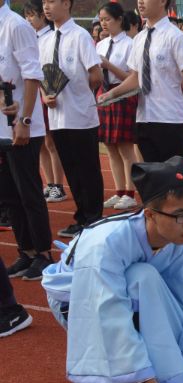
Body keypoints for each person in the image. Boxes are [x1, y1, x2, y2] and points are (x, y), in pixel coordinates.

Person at [41, 156, 183, 383]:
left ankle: (162, 366)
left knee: (148, 279)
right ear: (149, 214)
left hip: (131, 295)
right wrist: (145, 380)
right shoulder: (107, 242)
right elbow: (107, 310)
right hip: (77, 304)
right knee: (142, 276)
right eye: (181, 216)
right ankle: (125, 381)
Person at [99, 0, 183, 163]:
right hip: (144, 117)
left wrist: (172, 96)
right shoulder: (139, 38)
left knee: (173, 179)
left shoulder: (175, 36)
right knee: (151, 178)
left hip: (170, 119)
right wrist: (112, 93)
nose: (140, 3)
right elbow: (135, 77)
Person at [39, 0, 104, 239]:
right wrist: (46, 96)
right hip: (57, 117)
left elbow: (95, 75)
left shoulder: (80, 36)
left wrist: (77, 93)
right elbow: (39, 77)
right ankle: (82, 216)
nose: (46, 7)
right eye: (44, 2)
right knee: (71, 170)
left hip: (82, 116)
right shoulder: (44, 40)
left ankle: (94, 218)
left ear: (67, 4)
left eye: (51, 2)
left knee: (88, 169)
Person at [0, 0, 54, 281]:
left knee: (29, 192)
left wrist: (25, 120)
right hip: (1, 129)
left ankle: (44, 253)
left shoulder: (16, 26)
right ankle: (27, 251)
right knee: (9, 195)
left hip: (22, 128)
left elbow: (33, 76)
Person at [96, 3, 139, 211]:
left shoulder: (129, 44)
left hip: (123, 95)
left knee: (125, 147)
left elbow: (132, 77)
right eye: (101, 19)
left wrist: (109, 65)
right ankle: (119, 190)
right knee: (110, 147)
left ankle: (131, 192)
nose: (103, 23)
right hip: (104, 95)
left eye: (107, 19)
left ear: (119, 20)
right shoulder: (100, 45)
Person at [23, 0, 66, 204]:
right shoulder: (30, 37)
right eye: (27, 16)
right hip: (34, 95)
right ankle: (49, 183)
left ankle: (58, 185)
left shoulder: (50, 37)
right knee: (40, 143)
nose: (28, 19)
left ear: (42, 16)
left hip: (48, 95)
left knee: (51, 143)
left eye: (32, 15)